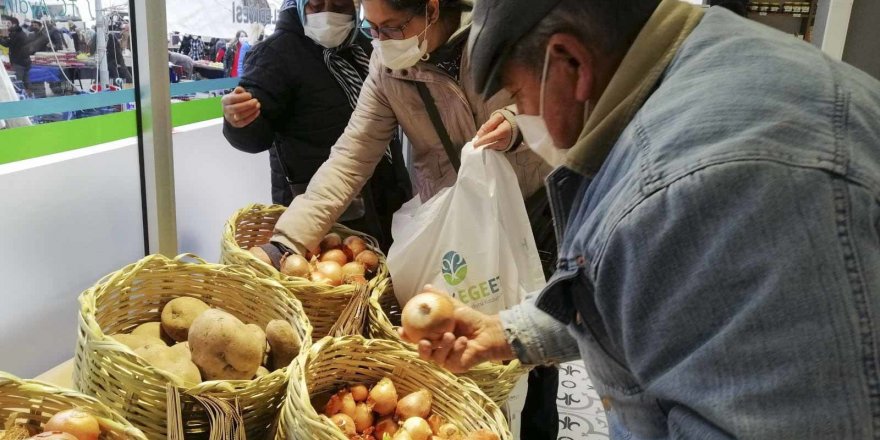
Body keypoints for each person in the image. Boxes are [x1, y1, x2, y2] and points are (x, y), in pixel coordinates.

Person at [408, 0, 880, 438]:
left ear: (569, 62)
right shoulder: (710, 57)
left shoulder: (706, 185)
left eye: (518, 95)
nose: (523, 115)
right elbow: (650, 291)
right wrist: (509, 331)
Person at [244, 0, 555, 437]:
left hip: (531, 207)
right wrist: (287, 241)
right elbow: (351, 157)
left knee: (533, 350)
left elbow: (555, 99)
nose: (382, 42)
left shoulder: (499, 33)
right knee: (459, 348)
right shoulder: (388, 67)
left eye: (392, 27)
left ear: (430, 10)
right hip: (448, 222)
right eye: (372, 29)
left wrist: (515, 125)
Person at [222, 0, 411, 249]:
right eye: (316, 5)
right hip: (320, 205)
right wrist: (239, 121)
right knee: (336, 274)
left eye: (340, 5)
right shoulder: (277, 54)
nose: (328, 14)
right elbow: (255, 136)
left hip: (385, 192)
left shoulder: (367, 47)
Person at [0, 16, 33, 93]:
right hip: (25, 61)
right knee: (26, 81)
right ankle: (29, 97)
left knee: (18, 83)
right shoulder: (18, 32)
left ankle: (20, 99)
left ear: (14, 24)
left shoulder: (17, 34)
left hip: (19, 62)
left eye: (8, 23)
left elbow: (7, 44)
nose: (6, 26)